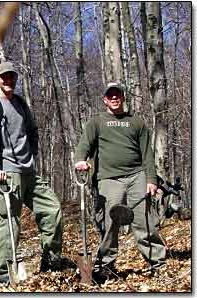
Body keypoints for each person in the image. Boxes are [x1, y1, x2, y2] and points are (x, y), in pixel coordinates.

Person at [0, 61, 63, 288]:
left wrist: (31, 153)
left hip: (29, 171)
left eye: (12, 77)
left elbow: (33, 130)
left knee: (52, 209)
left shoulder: (20, 103)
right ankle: (1, 275)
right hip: (7, 174)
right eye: (4, 77)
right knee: (9, 224)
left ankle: (52, 262)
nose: (9, 80)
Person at [74, 82, 167, 281]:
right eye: (110, 95)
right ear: (105, 99)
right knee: (110, 221)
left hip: (136, 176)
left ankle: (158, 262)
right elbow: (84, 145)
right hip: (108, 178)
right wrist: (81, 160)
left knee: (143, 221)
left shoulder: (136, 122)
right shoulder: (97, 122)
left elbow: (147, 155)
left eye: (118, 95)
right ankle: (106, 265)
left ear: (123, 97)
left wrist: (151, 179)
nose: (114, 98)